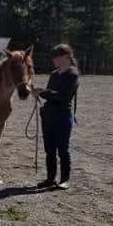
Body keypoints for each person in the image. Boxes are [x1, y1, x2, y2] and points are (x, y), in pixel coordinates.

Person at [32, 44, 80, 190]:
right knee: (49, 149)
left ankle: (65, 179)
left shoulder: (72, 74)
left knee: (62, 149)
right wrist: (39, 92)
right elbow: (50, 94)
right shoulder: (54, 74)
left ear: (65, 57)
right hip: (49, 116)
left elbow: (63, 97)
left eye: (56, 57)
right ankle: (50, 178)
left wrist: (42, 92)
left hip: (62, 117)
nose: (53, 60)